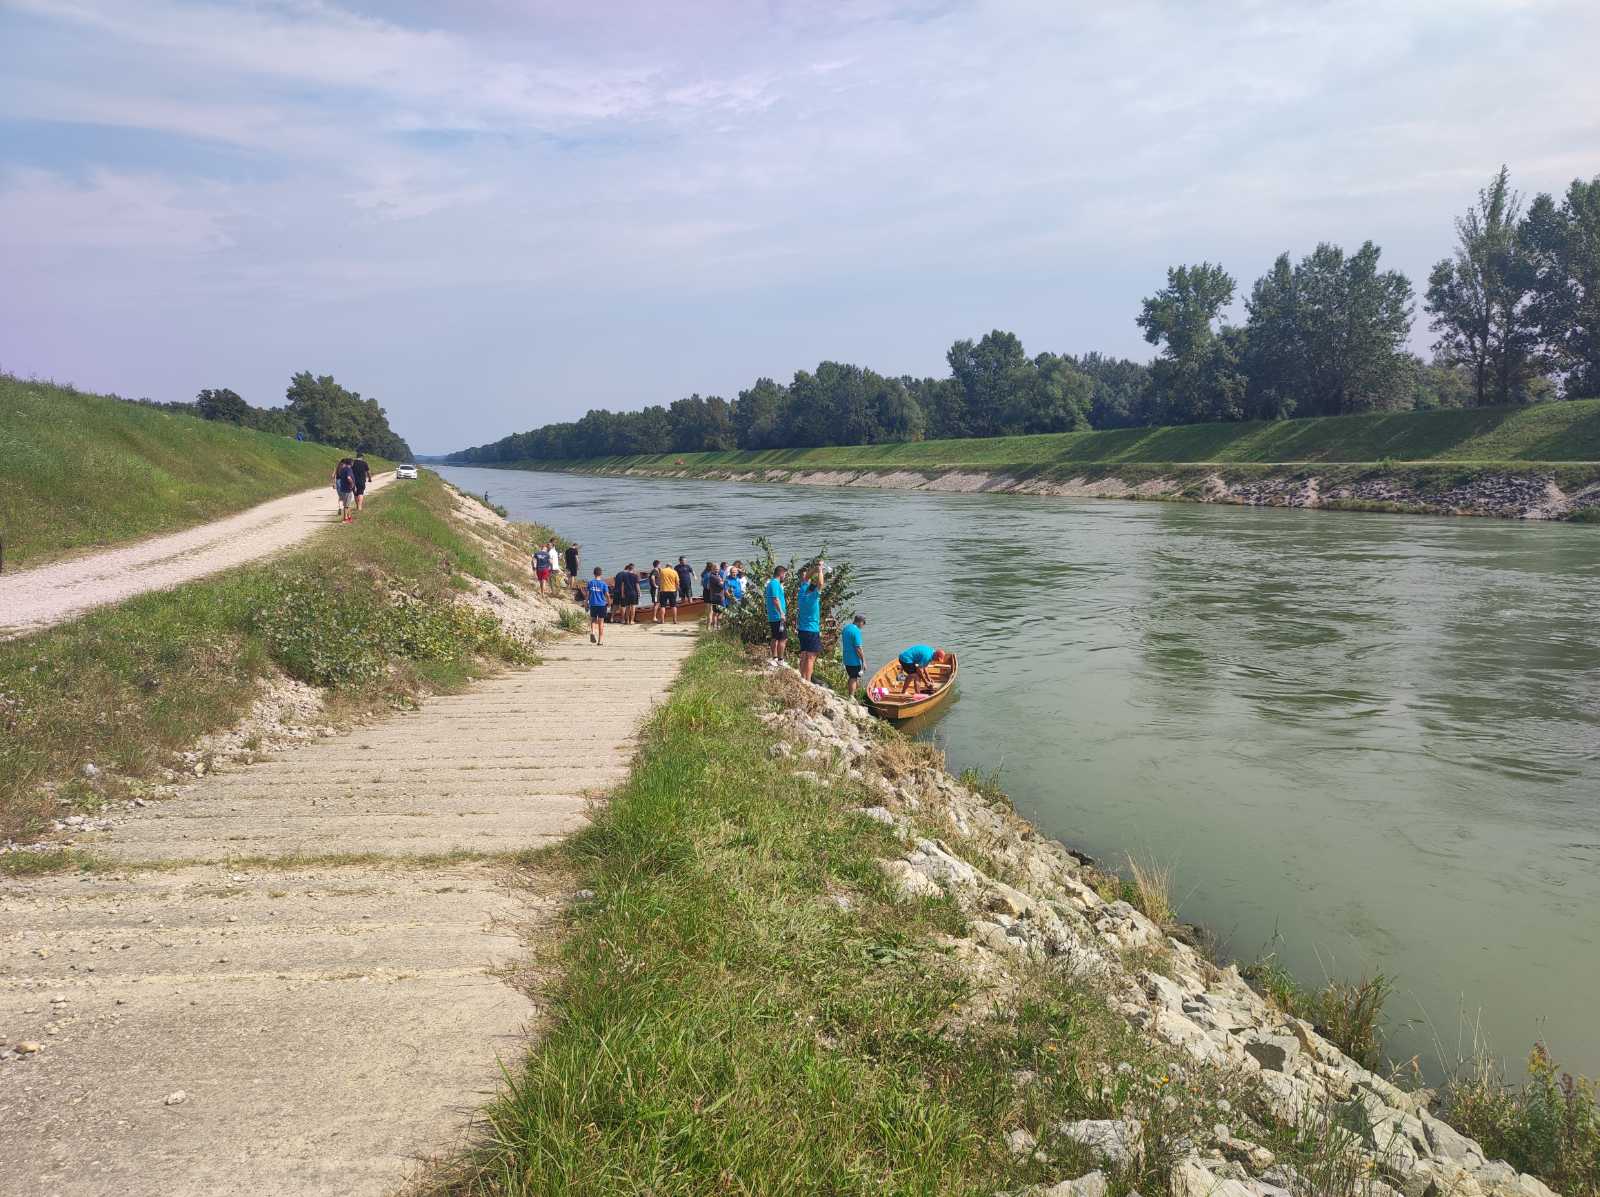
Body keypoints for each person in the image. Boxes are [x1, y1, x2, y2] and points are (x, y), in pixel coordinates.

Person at [795, 560, 825, 683]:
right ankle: (807, 681)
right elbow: (821, 583)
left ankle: (802, 678)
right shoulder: (813, 598)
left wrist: (816, 568)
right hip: (812, 630)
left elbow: (806, 577)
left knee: (804, 654)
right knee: (811, 657)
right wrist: (821, 570)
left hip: (802, 629)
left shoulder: (802, 594)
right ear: (814, 591)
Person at [764, 565, 788, 665]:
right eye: (785, 574)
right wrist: (781, 613)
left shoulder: (774, 583)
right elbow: (775, 599)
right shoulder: (774, 583)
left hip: (774, 616)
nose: (785, 577)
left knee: (775, 637)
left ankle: (774, 658)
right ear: (781, 573)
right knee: (783, 638)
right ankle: (780, 660)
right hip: (777, 616)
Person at [842, 613, 867, 699]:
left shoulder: (846, 628)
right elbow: (858, 648)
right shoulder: (856, 631)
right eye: (864, 623)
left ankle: (854, 695)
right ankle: (851, 697)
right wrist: (864, 661)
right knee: (853, 678)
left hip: (846, 658)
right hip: (853, 660)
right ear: (860, 622)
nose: (863, 625)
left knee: (852, 677)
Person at [585, 567, 610, 645]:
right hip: (602, 604)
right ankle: (600, 641)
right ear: (601, 574)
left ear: (594, 573)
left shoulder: (590, 583)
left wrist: (586, 602)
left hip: (593, 604)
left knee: (593, 620)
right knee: (601, 622)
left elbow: (587, 594)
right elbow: (607, 595)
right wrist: (609, 602)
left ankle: (592, 632)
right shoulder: (603, 584)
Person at [702, 560, 724, 629]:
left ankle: (709, 627)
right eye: (715, 569)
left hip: (708, 593)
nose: (717, 570)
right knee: (714, 613)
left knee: (711, 612)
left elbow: (704, 585)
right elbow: (722, 584)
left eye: (717, 569)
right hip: (715, 595)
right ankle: (714, 626)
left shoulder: (705, 574)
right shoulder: (714, 576)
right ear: (711, 568)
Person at [655, 559, 679, 624]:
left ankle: (662, 620)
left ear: (666, 566)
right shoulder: (674, 572)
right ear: (671, 567)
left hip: (663, 590)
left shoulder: (662, 571)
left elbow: (659, 581)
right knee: (673, 606)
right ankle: (674, 620)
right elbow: (677, 583)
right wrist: (677, 590)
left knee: (662, 606)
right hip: (672, 590)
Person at [333, 457, 355, 523]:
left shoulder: (342, 469)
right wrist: (352, 484)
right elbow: (348, 478)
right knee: (346, 505)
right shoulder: (348, 469)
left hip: (343, 488)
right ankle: (345, 518)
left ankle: (349, 517)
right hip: (348, 489)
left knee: (347, 504)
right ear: (351, 463)